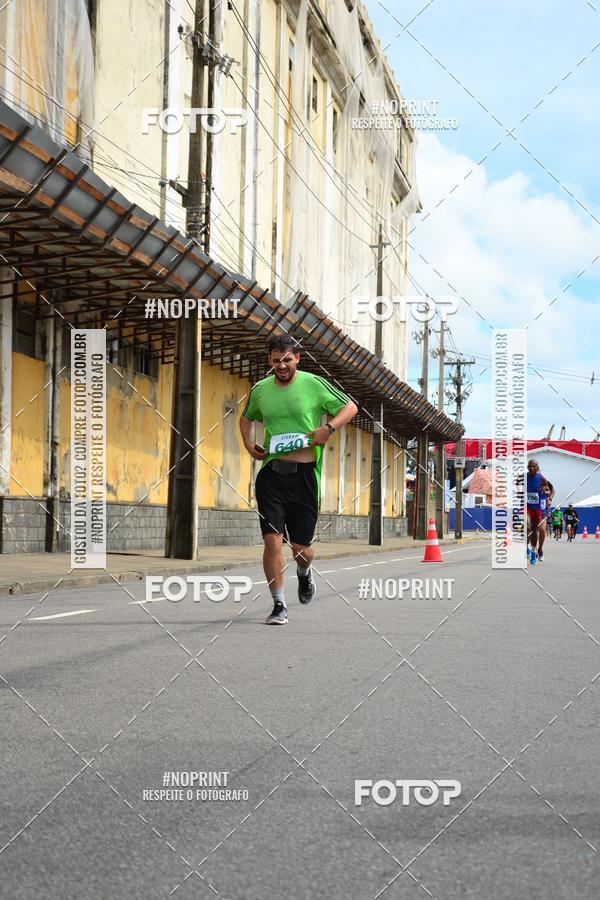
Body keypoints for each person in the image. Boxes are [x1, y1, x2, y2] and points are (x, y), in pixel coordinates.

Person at [239, 333, 358, 624]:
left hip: (304, 476)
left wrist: (327, 429)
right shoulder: (261, 390)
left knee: (301, 550)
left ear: (297, 359)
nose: (282, 365)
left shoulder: (313, 384)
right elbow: (246, 417)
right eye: (276, 361)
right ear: (269, 361)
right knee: (272, 543)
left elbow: (350, 407)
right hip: (271, 475)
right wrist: (248, 442)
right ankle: (279, 605)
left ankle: (304, 573)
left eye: (287, 360)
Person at [525, 459, 553, 565]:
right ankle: (528, 548)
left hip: (541, 508)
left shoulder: (542, 479)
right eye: (530, 466)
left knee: (541, 530)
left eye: (535, 467)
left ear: (538, 468)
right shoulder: (525, 478)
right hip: (529, 507)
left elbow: (551, 491)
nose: (533, 469)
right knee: (528, 527)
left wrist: (549, 498)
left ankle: (539, 550)